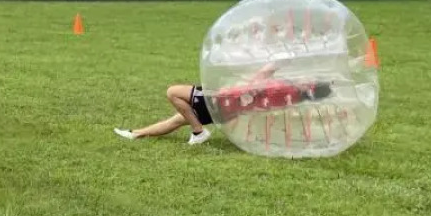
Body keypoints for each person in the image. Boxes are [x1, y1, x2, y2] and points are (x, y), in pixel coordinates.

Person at [115, 62, 332, 145]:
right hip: (226, 111)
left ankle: (199, 132)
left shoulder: (287, 89)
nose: (306, 79)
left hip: (221, 99)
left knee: (172, 92)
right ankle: (135, 134)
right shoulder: (292, 97)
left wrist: (281, 59)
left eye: (310, 82)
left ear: (310, 88)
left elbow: (264, 74)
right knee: (177, 120)